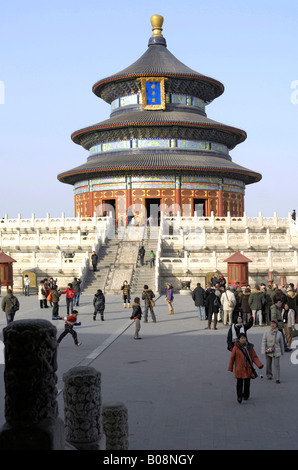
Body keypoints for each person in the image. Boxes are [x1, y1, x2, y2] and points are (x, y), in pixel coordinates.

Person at [228, 333, 263, 403]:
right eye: (242, 338)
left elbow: (254, 357)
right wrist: (230, 367)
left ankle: (246, 395)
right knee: (239, 383)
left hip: (248, 368)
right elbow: (232, 358)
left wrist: (259, 364)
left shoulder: (250, 347)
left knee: (247, 382)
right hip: (239, 368)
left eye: (244, 338)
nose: (243, 339)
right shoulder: (236, 347)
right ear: (238, 339)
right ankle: (239, 396)